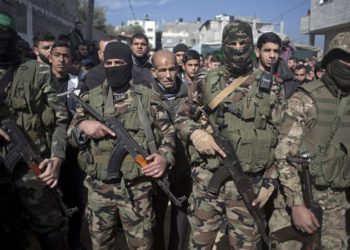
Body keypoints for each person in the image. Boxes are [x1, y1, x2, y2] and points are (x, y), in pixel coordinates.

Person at [174, 23, 285, 250]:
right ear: (223, 46)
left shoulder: (272, 86)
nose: (237, 48)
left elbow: (284, 140)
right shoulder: (205, 80)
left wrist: (271, 180)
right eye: (232, 43)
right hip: (207, 182)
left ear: (252, 46)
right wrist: (195, 134)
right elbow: (181, 118)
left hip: (249, 185)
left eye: (243, 43)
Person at [68, 41, 175, 250]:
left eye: (120, 62)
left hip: (138, 188)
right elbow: (71, 135)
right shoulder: (90, 97)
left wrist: (164, 157)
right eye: (110, 62)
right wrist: (83, 126)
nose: (114, 67)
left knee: (142, 245)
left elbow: (169, 135)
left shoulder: (148, 97)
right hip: (99, 188)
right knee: (100, 244)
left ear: (129, 64)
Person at [269, 31, 350, 250]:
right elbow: (285, 155)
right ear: (330, 60)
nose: (347, 65)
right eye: (343, 58)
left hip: (337, 207)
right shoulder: (305, 98)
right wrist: (297, 205)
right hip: (302, 198)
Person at [0, 11, 69, 250]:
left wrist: (57, 158)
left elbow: (62, 120)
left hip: (30, 166)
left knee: (50, 228)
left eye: (4, 34)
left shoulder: (36, 72)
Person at [151, 50, 192, 250]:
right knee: (156, 218)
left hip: (185, 168)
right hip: (157, 171)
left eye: (172, 69)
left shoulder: (191, 93)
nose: (168, 75)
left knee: (182, 216)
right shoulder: (144, 97)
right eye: (162, 70)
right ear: (153, 72)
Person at [49, 41, 86, 250]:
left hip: (71, 153)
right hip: (45, 152)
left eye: (65, 56)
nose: (61, 59)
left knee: (75, 200)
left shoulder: (77, 86)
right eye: (57, 55)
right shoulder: (39, 82)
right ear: (50, 57)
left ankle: (74, 239)